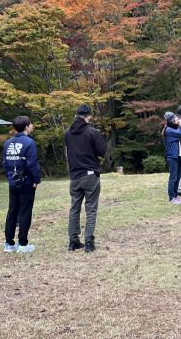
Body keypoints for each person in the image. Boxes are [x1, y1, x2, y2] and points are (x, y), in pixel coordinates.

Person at [65, 104, 107, 252]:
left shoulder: (68, 133)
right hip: (90, 175)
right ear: (88, 116)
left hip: (74, 176)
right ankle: (89, 242)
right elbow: (102, 152)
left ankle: (73, 241)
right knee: (91, 209)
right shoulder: (92, 132)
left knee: (74, 209)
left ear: (76, 115)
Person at [2, 116, 41, 253]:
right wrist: (36, 180)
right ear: (26, 127)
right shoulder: (29, 143)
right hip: (26, 182)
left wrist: (10, 177)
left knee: (12, 211)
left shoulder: (8, 143)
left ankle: (9, 243)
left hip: (12, 182)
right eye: (30, 124)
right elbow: (32, 164)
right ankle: (23, 244)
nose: (32, 126)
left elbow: (5, 163)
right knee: (25, 211)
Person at [162, 112, 181, 204]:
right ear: (172, 120)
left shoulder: (173, 129)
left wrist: (180, 127)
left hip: (178, 156)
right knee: (173, 178)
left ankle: (176, 196)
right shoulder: (169, 130)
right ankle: (172, 197)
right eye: (176, 118)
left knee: (177, 177)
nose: (178, 119)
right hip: (172, 157)